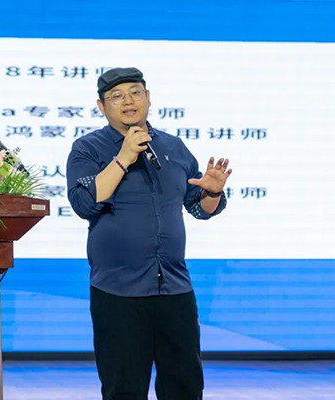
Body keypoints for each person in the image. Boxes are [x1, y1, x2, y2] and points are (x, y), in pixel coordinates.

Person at [66, 67, 232, 400]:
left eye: (135, 92)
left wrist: (212, 192)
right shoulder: (88, 148)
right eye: (117, 96)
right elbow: (85, 203)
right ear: (101, 106)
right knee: (124, 389)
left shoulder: (173, 146)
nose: (128, 101)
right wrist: (124, 157)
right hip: (118, 290)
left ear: (148, 98)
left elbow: (199, 208)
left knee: (185, 387)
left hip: (174, 287)